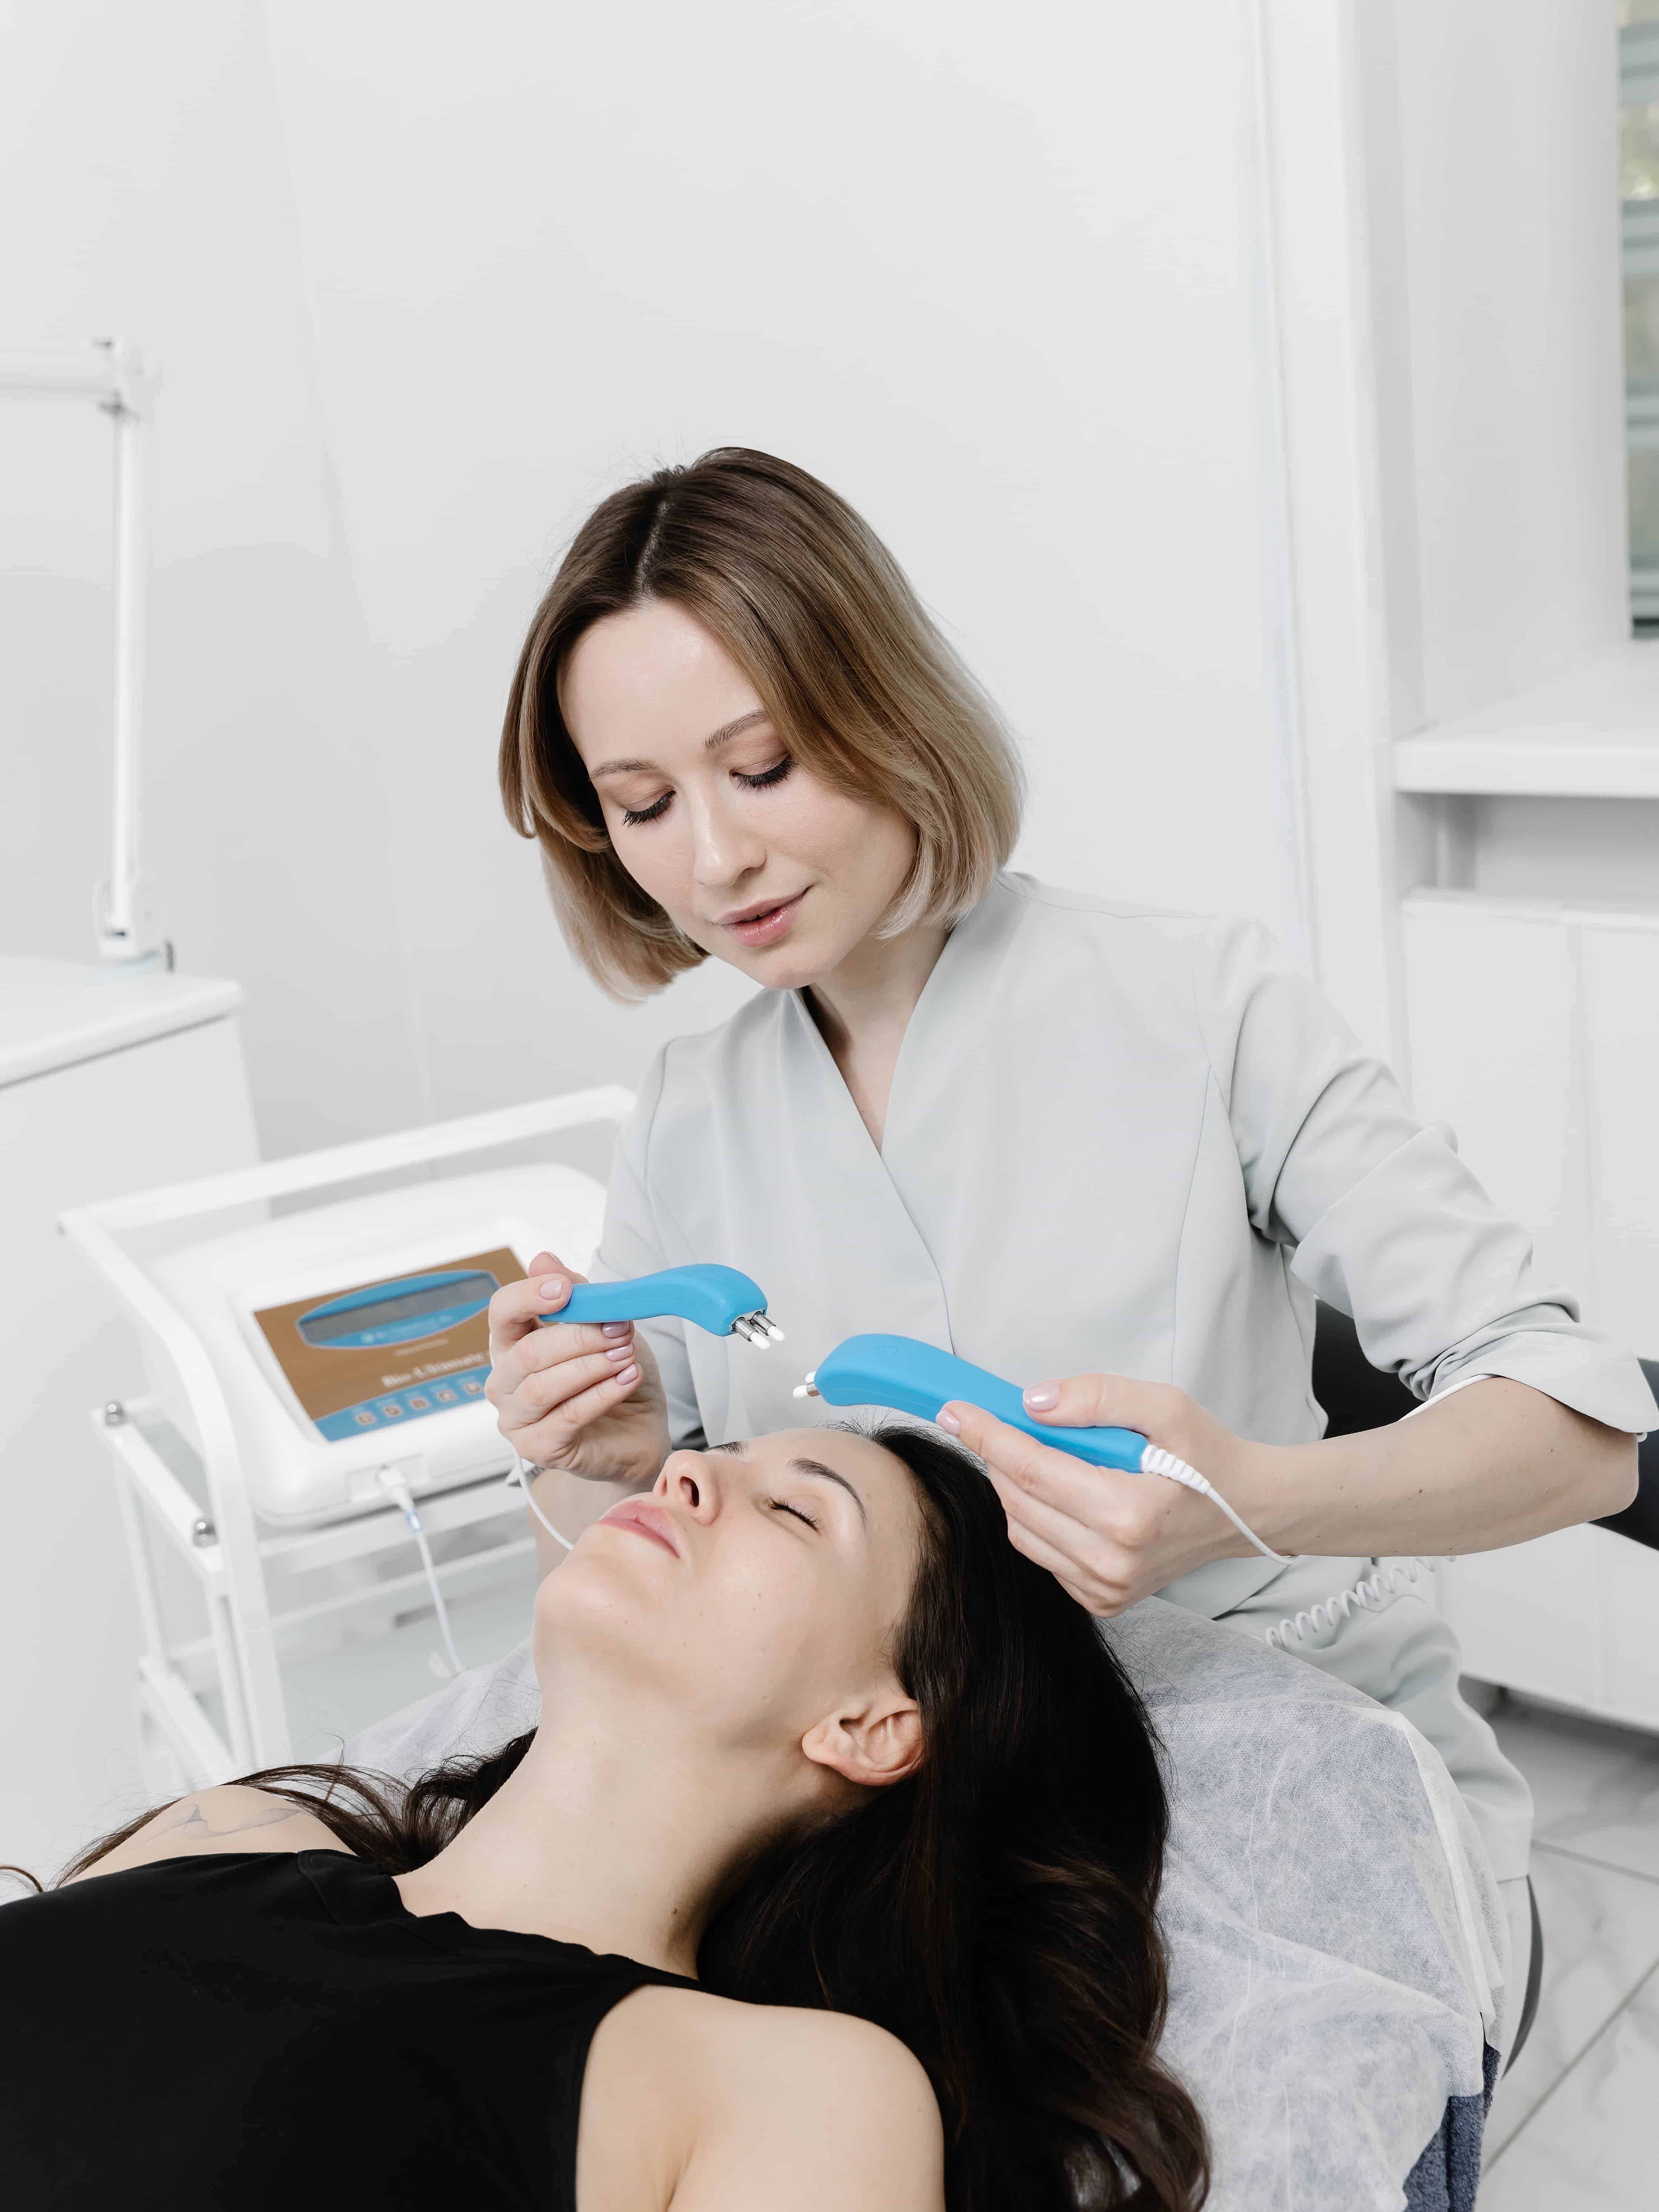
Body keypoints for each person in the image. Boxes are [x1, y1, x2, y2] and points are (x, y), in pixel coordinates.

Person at [490, 447, 1657, 2009]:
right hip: (895, 1819)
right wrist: (605, 1462)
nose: (713, 860)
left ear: (887, 713)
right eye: (641, 804)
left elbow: (1585, 1434)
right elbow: (660, 1598)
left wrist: (1248, 1503)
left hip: (1260, 1761)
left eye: (761, 768)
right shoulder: (691, 1113)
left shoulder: (1199, 1004)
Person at [0, 1423, 1209, 2212]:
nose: (686, 1473)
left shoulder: (789, 2090)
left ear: (871, 1725)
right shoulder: (238, 1830)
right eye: (714, 1452)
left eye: (796, 1513)